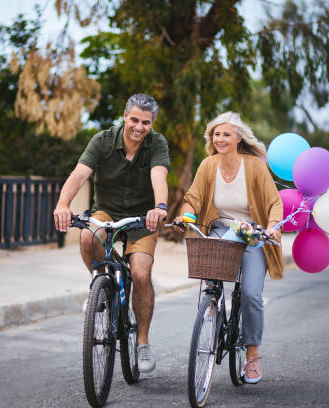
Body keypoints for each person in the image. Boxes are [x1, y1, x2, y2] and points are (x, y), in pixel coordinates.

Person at [53, 93, 169, 373]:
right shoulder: (102, 141)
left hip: (143, 218)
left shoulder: (157, 143)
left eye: (146, 122)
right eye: (134, 120)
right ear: (124, 116)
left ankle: (142, 342)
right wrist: (63, 204)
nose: (139, 127)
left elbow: (159, 177)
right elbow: (79, 175)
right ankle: (101, 284)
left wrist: (160, 207)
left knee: (141, 274)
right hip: (106, 211)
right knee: (87, 237)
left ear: (151, 123)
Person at [174, 111, 283, 384]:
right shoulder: (208, 165)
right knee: (211, 281)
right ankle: (214, 307)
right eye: (216, 134)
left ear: (238, 138)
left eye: (225, 134)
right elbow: (193, 198)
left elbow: (274, 202)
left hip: (251, 234)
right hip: (220, 230)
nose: (219, 139)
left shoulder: (255, 166)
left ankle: (253, 354)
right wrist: (184, 215)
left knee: (250, 294)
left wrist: (273, 225)